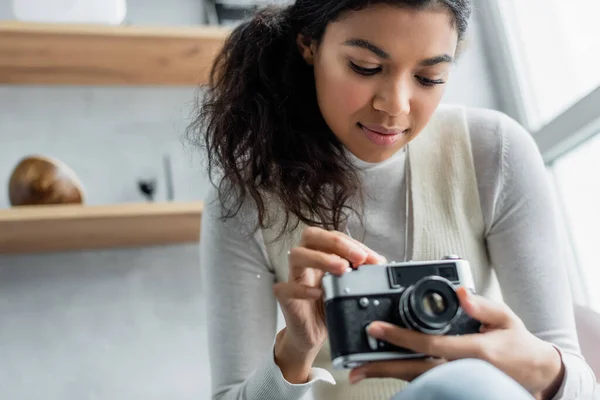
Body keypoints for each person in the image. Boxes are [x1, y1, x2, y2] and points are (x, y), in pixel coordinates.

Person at [189, 0, 598, 399]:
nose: (395, 106)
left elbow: (581, 389)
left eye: (430, 77)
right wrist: (295, 351)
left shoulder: (493, 152)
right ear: (309, 45)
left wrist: (540, 367)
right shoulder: (246, 201)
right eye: (365, 68)